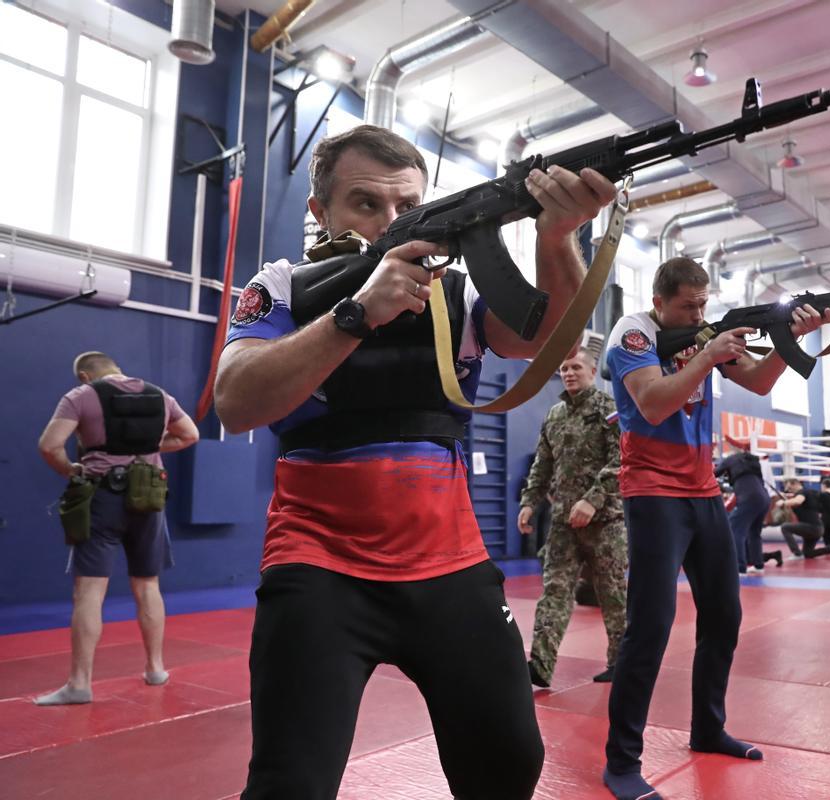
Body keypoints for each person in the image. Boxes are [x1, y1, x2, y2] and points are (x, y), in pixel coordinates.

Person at [214, 124, 616, 800]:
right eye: (365, 203)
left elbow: (545, 338)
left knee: (510, 762)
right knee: (291, 781)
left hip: (450, 566)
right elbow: (234, 402)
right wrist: (356, 313)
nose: (389, 224)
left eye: (406, 207)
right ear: (320, 213)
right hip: (320, 569)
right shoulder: (281, 286)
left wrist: (558, 237)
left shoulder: (455, 293)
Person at [601, 257, 830, 800]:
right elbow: (654, 405)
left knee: (725, 615)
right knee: (650, 626)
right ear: (660, 302)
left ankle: (707, 728)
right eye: (688, 306)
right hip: (654, 492)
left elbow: (756, 381)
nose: (698, 313)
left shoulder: (704, 334)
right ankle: (621, 760)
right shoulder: (633, 332)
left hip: (704, 490)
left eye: (703, 304)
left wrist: (791, 340)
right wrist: (706, 353)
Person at [34, 351, 199, 705]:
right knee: (148, 585)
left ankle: (80, 684)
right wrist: (154, 448)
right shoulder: (160, 395)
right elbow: (189, 435)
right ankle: (155, 668)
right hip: (149, 495)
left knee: (90, 592)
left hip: (101, 497)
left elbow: (49, 445)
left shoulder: (80, 396)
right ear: (116, 368)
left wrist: (71, 469)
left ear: (84, 375)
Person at [519, 349, 627, 687]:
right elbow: (543, 464)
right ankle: (540, 664)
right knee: (554, 591)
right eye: (564, 368)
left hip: (605, 522)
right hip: (564, 523)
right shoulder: (555, 415)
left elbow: (623, 459)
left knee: (613, 595)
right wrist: (529, 501)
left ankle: (621, 662)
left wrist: (593, 500)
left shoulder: (609, 409)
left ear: (592, 371)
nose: (568, 373)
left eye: (575, 367)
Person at [715, 440, 780, 573]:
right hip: (764, 498)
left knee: (735, 530)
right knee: (754, 532)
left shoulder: (731, 459)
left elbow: (713, 473)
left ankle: (740, 568)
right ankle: (758, 565)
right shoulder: (753, 462)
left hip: (749, 497)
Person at [777, 478, 830, 559]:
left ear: (796, 484)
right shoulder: (811, 492)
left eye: (790, 488)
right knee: (807, 553)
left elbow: (798, 501)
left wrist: (784, 503)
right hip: (818, 528)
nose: (789, 491)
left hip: (811, 527)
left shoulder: (802, 492)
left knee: (785, 527)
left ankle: (796, 553)